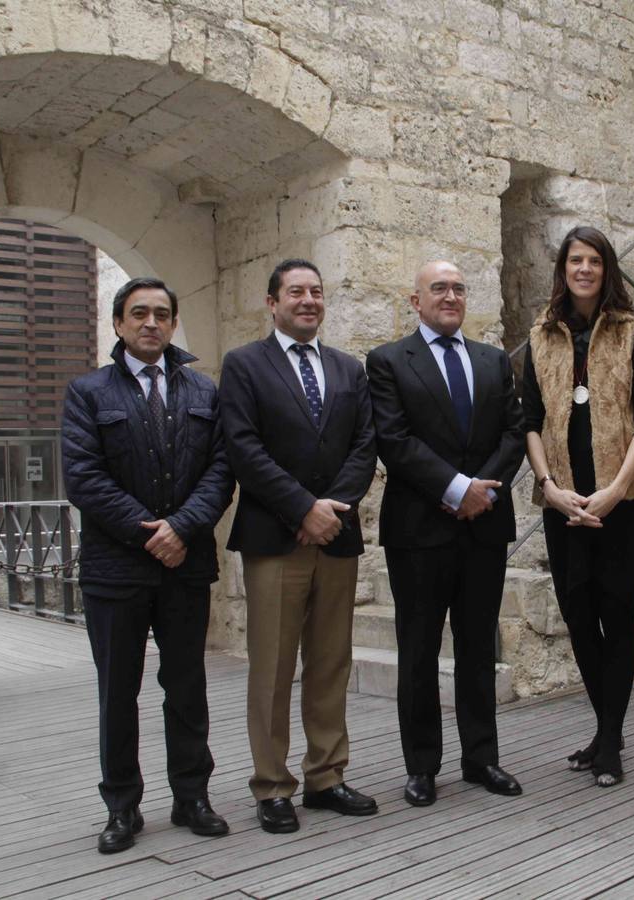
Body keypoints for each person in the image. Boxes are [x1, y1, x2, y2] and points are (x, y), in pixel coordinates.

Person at [62, 276, 234, 854]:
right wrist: (151, 533)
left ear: (174, 323)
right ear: (118, 323)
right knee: (118, 692)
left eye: (162, 313)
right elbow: (84, 478)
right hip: (115, 570)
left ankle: (192, 797)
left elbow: (221, 470)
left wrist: (181, 528)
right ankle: (122, 806)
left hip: (186, 565)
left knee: (187, 686)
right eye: (139, 313)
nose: (151, 323)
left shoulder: (204, 391)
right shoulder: (88, 393)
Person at [219, 259, 379, 833]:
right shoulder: (244, 365)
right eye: (295, 292)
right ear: (272, 302)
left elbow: (365, 445)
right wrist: (302, 509)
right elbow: (243, 447)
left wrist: (330, 510)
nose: (308, 300)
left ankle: (326, 776)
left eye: (316, 291)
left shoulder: (348, 369)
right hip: (275, 538)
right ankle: (271, 784)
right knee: (273, 665)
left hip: (335, 535)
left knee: (331, 661)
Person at [366, 260, 526, 807]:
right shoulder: (388, 361)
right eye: (438, 288)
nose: (450, 296)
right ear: (416, 301)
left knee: (479, 647)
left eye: (458, 287)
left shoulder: (492, 360)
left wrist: (483, 493)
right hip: (419, 531)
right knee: (419, 651)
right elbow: (394, 439)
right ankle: (421, 766)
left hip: (484, 526)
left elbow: (514, 432)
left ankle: (482, 758)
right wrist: (457, 489)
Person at [523, 226, 634, 787]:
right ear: (563, 268)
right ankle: (607, 731)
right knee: (579, 618)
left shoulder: (632, 332)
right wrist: (548, 485)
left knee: (617, 617)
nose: (584, 269)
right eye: (575, 260)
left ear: (607, 270)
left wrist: (615, 489)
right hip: (563, 504)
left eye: (594, 261)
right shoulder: (541, 335)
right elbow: (530, 420)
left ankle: (609, 743)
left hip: (620, 502)